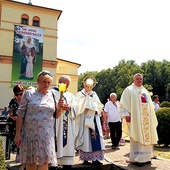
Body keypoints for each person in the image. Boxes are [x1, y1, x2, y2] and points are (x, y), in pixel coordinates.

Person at [14, 70, 63, 170]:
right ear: (38, 81)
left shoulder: (52, 95)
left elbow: (56, 116)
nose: (46, 85)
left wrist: (60, 108)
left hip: (46, 135)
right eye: (44, 82)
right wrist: (18, 134)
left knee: (44, 162)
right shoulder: (29, 94)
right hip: (30, 135)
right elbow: (20, 114)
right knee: (30, 162)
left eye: (49, 82)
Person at [119, 73, 158, 167]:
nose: (139, 80)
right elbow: (124, 103)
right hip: (135, 119)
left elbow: (150, 106)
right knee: (137, 137)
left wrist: (152, 118)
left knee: (146, 138)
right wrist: (126, 115)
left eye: (141, 79)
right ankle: (137, 159)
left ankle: (147, 158)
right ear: (134, 80)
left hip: (146, 120)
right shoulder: (129, 90)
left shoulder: (145, 91)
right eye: (137, 79)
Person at [74, 75, 105, 165]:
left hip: (94, 119)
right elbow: (76, 106)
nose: (88, 88)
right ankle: (85, 159)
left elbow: (99, 105)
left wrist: (95, 109)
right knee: (85, 138)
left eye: (90, 86)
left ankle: (96, 159)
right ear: (84, 85)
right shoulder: (80, 94)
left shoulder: (94, 94)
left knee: (96, 138)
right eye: (86, 86)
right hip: (84, 119)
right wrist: (84, 105)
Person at [52, 75, 76, 170]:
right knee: (56, 141)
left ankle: (67, 165)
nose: (67, 87)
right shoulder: (52, 93)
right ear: (59, 83)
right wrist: (58, 107)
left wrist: (70, 107)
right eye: (65, 84)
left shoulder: (70, 95)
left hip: (67, 124)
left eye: (68, 85)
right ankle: (54, 164)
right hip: (56, 122)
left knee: (67, 143)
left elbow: (76, 107)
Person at [7, 84, 24, 153]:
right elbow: (10, 112)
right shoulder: (12, 101)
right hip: (14, 124)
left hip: (23, 124)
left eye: (20, 94)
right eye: (17, 95)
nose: (19, 96)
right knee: (15, 140)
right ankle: (16, 154)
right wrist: (12, 117)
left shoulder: (25, 101)